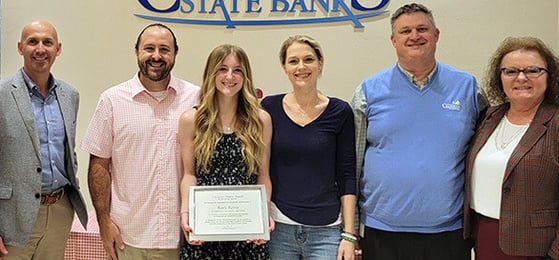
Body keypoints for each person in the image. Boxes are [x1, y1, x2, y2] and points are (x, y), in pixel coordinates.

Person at [351, 3, 487, 260]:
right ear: (393, 40)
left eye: (422, 29)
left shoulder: (468, 88)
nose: (415, 36)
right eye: (406, 31)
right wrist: (352, 228)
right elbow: (354, 163)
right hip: (382, 231)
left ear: (436, 35)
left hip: (449, 232)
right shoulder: (368, 91)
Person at [81, 23, 199, 259]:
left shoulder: (196, 97)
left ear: (175, 53)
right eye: (149, 48)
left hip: (184, 236)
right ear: (137, 51)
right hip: (129, 237)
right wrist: (104, 222)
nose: (156, 56)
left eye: (164, 49)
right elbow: (99, 166)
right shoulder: (112, 100)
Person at [261, 35, 357, 260]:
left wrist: (349, 235)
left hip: (326, 231)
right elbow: (260, 168)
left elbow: (347, 175)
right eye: (293, 61)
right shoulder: (269, 108)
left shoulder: (340, 111)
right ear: (284, 67)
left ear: (320, 63)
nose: (301, 67)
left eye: (308, 59)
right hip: (279, 229)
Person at [463, 37, 559, 260]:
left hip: (537, 248)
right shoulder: (489, 117)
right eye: (511, 71)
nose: (521, 78)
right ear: (500, 78)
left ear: (549, 76)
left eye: (533, 70)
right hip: (484, 236)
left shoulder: (555, 123)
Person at [0, 20, 88, 259]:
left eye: (47, 42)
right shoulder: (2, 93)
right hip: (12, 216)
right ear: (20, 48)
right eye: (33, 42)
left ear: (58, 49)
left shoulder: (70, 95)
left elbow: (67, 152)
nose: (40, 49)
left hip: (59, 210)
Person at [178, 44, 273, 259]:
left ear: (245, 76)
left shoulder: (260, 120)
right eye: (222, 69)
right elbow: (189, 174)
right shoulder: (191, 121)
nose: (230, 76)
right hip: (203, 234)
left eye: (237, 70)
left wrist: (263, 215)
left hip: (248, 237)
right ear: (211, 73)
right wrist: (186, 214)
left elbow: (263, 176)